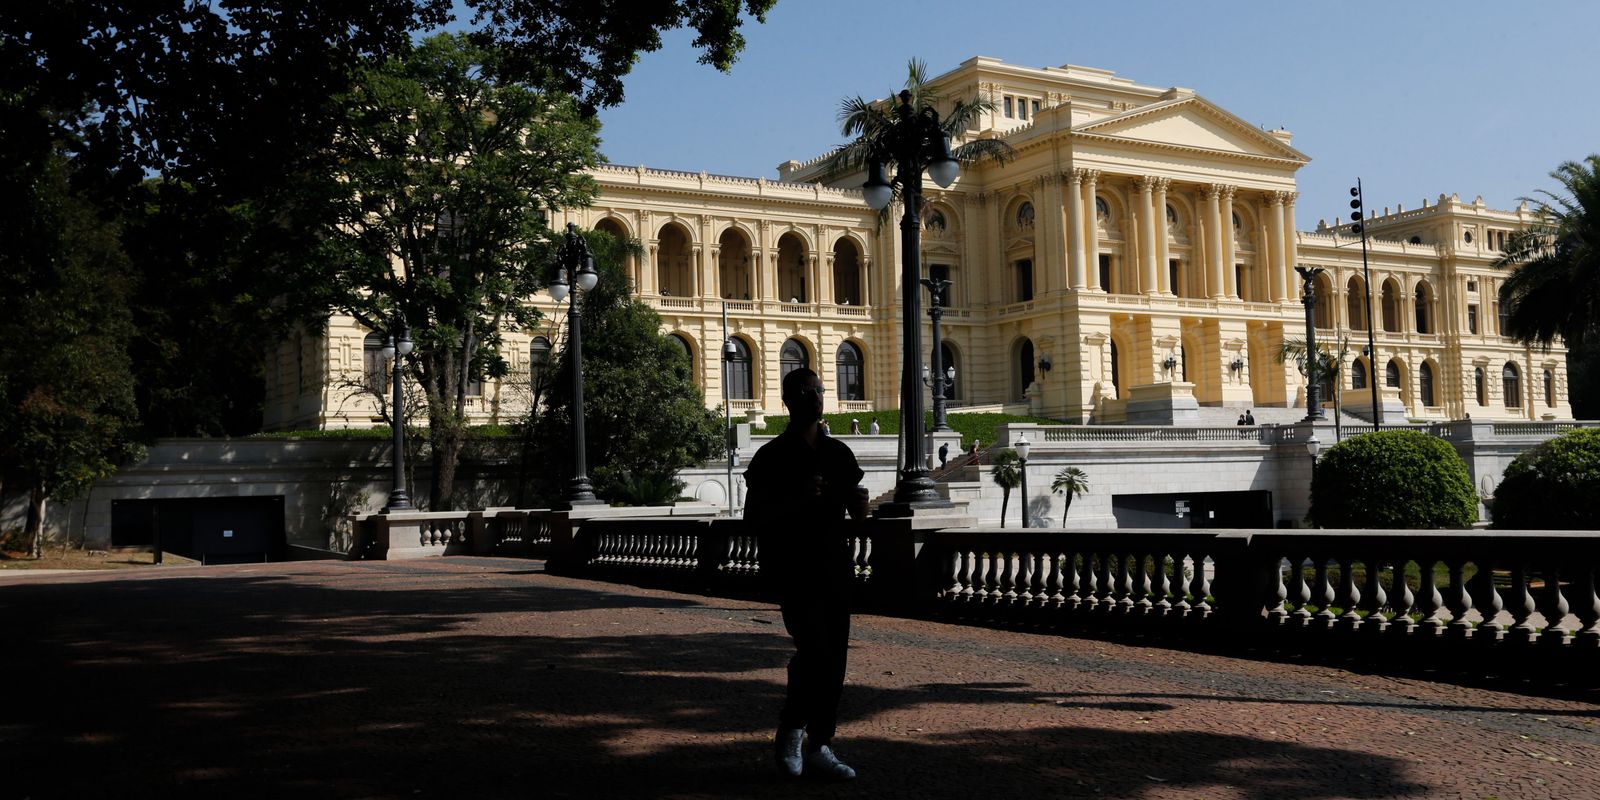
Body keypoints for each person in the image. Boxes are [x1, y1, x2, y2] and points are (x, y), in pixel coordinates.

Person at [744, 368, 866, 781]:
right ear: (788, 400)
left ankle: (821, 744)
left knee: (835, 658)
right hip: (793, 568)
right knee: (815, 651)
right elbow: (753, 519)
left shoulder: (839, 454)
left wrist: (859, 505)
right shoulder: (772, 456)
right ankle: (793, 729)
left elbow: (857, 515)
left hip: (835, 566)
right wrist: (796, 500)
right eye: (806, 390)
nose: (815, 396)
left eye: (819, 389)